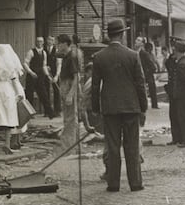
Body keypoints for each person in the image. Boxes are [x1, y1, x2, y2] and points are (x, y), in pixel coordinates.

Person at [91, 18, 146, 192]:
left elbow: (94, 86)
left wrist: (96, 108)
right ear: (122, 34)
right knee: (132, 146)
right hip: (131, 106)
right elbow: (140, 83)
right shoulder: (133, 55)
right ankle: (135, 183)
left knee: (113, 146)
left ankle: (113, 183)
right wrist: (143, 106)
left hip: (110, 107)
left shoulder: (99, 57)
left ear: (108, 35)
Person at [0, 44, 25, 154]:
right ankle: (6, 144)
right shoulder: (10, 65)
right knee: (8, 117)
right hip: (7, 90)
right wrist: (19, 93)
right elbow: (14, 80)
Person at [55, 34, 80, 155]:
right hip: (65, 87)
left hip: (69, 87)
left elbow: (76, 77)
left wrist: (70, 94)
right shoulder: (66, 56)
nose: (57, 46)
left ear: (65, 44)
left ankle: (69, 148)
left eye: (59, 43)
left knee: (70, 119)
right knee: (68, 118)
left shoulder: (72, 56)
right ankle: (72, 146)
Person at [24, 37, 55, 118]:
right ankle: (29, 114)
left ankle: (50, 113)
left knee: (44, 94)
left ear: (43, 42)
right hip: (31, 76)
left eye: (41, 41)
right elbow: (25, 63)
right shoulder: (31, 52)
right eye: (38, 41)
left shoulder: (44, 53)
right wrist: (31, 72)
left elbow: (44, 66)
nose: (39, 43)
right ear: (35, 42)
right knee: (29, 95)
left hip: (40, 76)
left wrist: (48, 76)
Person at [139, 42, 160, 109]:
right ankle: (154, 104)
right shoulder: (146, 54)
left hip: (142, 73)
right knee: (152, 89)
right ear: (149, 48)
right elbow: (151, 64)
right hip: (148, 74)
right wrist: (154, 69)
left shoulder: (140, 53)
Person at [46, 35, 62, 117]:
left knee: (56, 91)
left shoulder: (57, 51)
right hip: (45, 73)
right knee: (46, 91)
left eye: (52, 40)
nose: (50, 41)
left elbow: (59, 64)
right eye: (49, 39)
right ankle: (48, 111)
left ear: (53, 41)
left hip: (55, 73)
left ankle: (57, 110)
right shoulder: (44, 50)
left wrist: (56, 75)